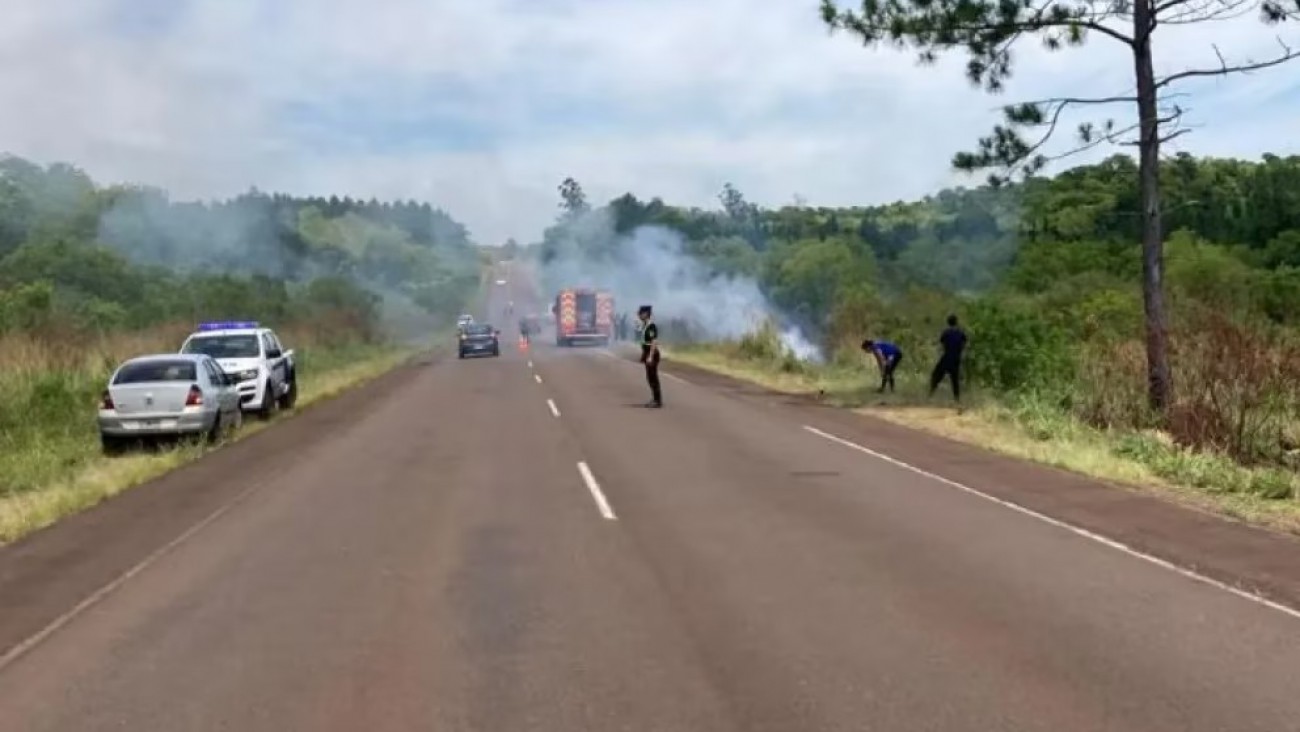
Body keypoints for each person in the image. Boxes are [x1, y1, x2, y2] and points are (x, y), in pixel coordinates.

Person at [930, 314, 967, 401]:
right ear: (956, 322)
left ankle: (930, 394)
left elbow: (942, 342)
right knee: (955, 380)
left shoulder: (946, 332)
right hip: (956, 358)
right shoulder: (960, 332)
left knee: (936, 375)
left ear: (948, 322)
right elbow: (965, 343)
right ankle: (957, 399)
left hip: (947, 357)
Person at [638, 305, 662, 408]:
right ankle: (655, 399)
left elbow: (653, 342)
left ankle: (657, 400)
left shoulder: (651, 326)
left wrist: (650, 356)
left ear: (646, 314)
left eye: (641, 313)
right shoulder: (645, 325)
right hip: (646, 352)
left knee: (653, 377)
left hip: (651, 353)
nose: (640, 315)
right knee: (649, 377)